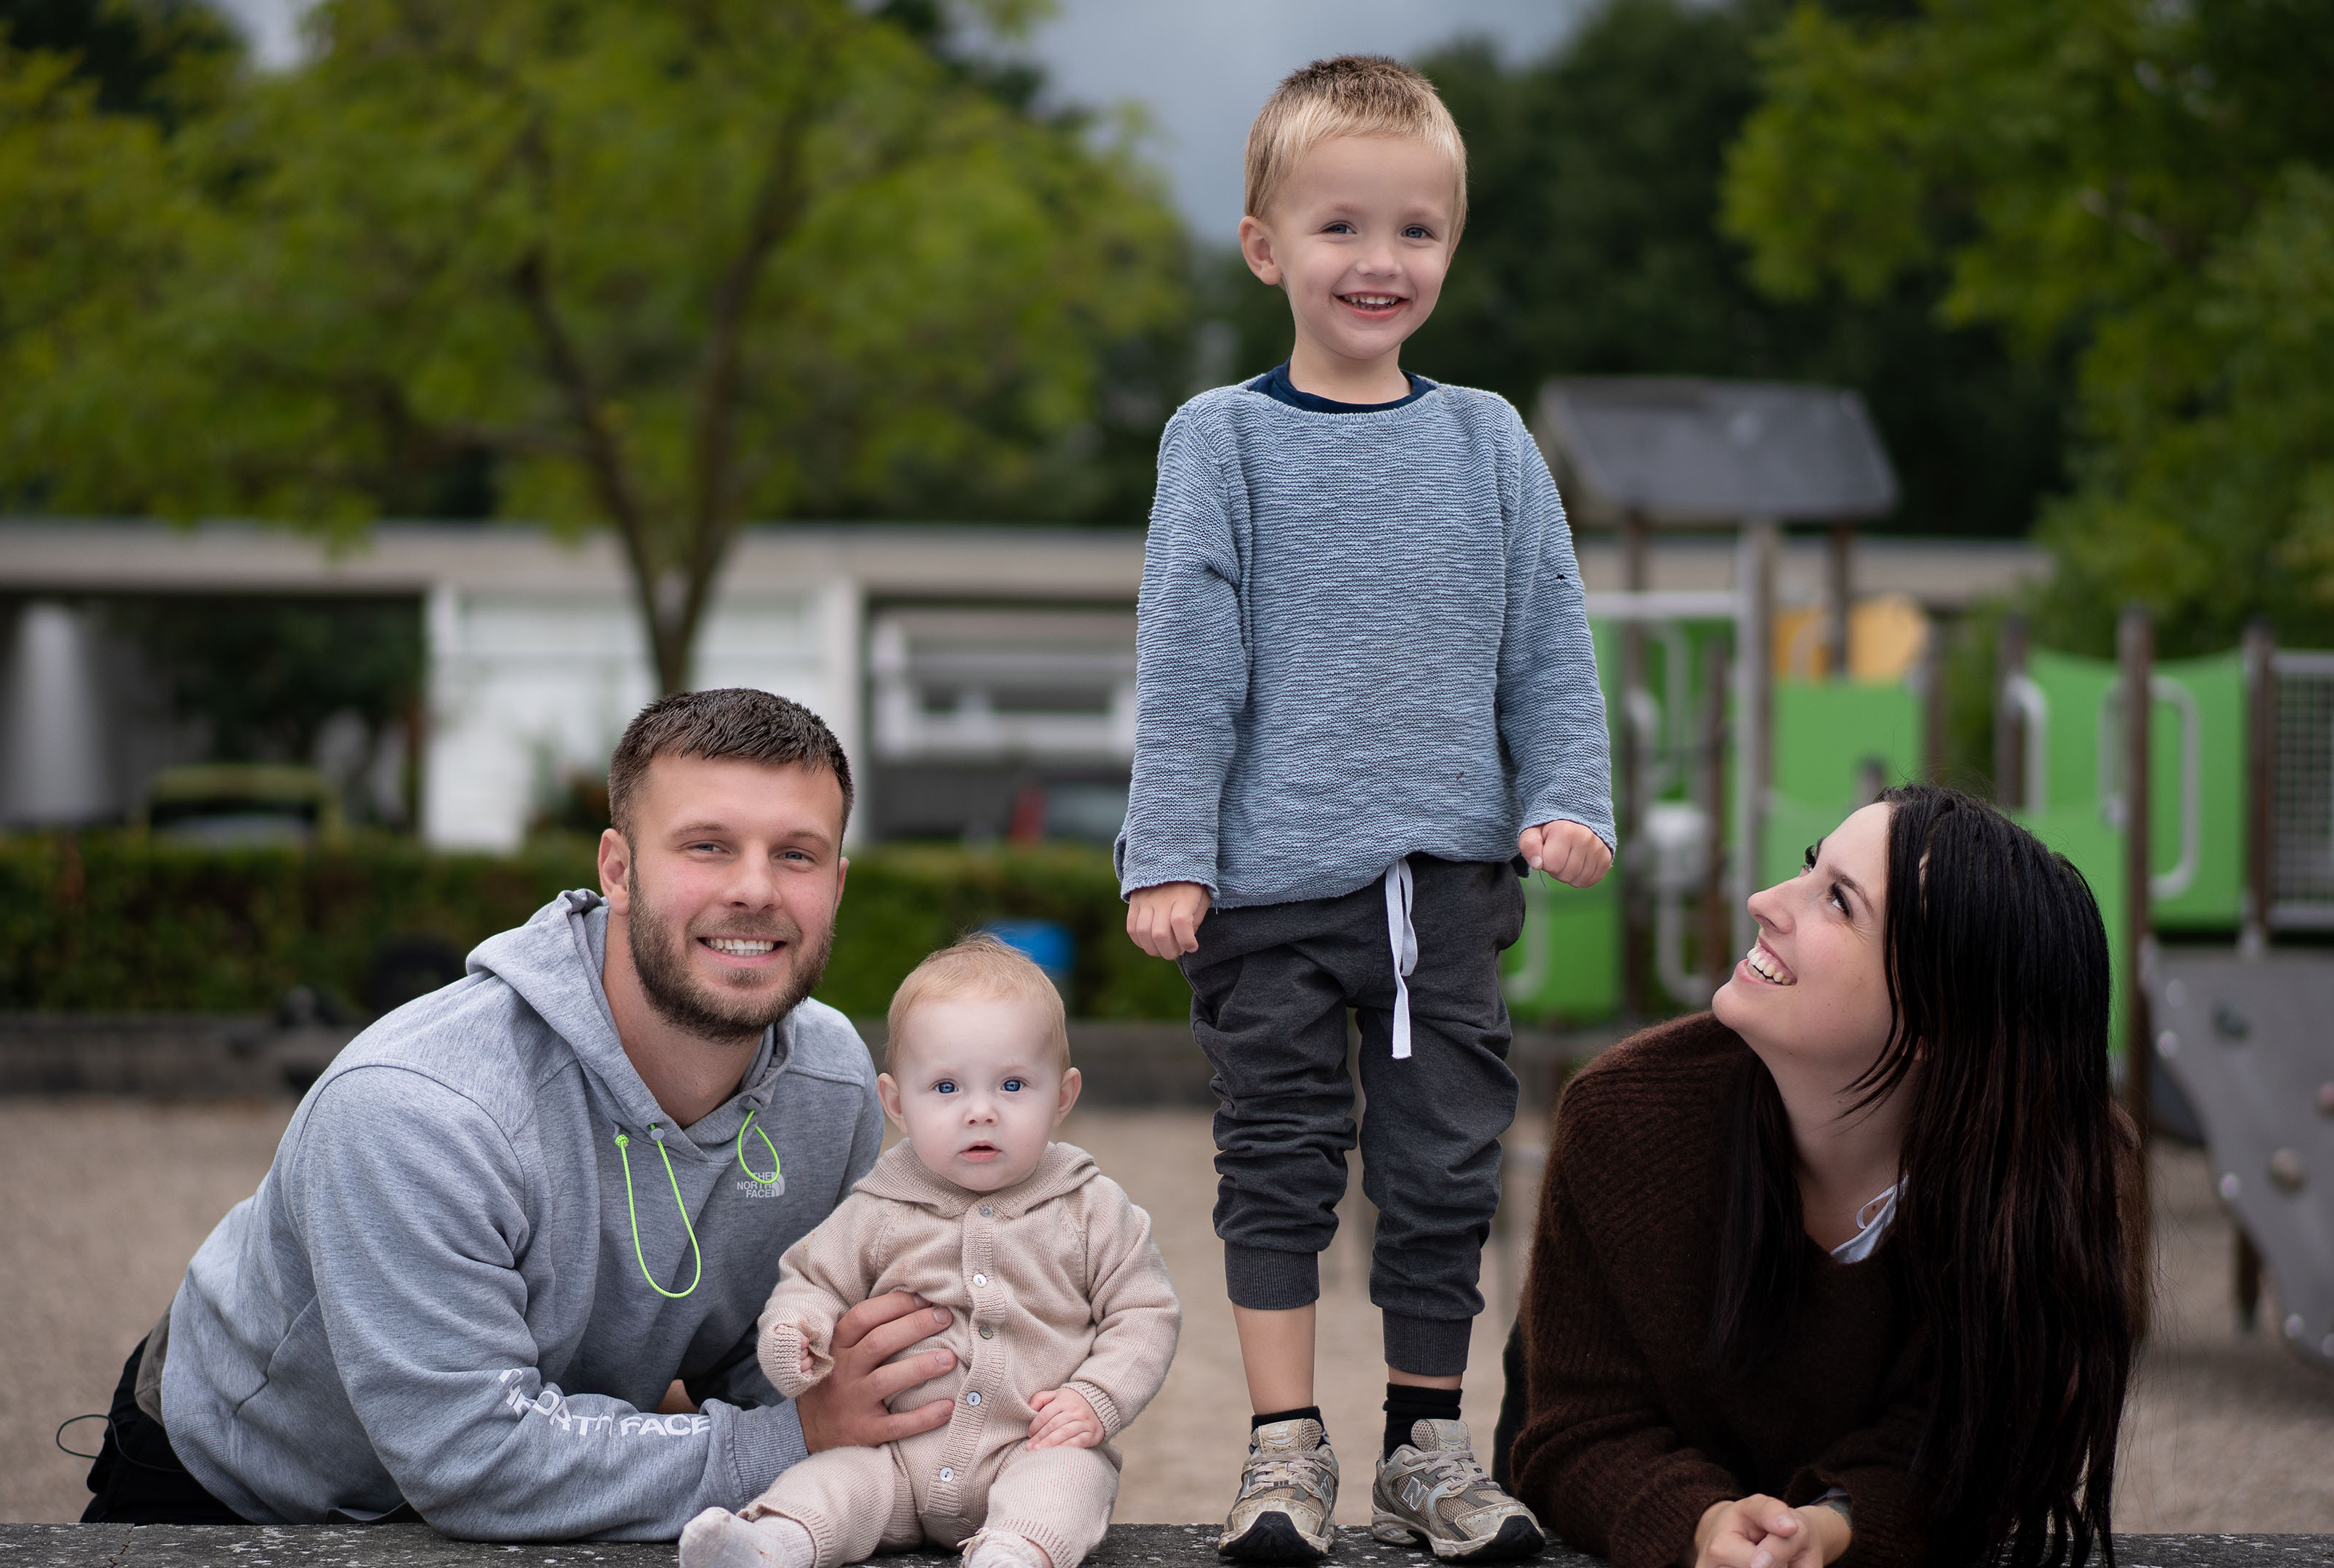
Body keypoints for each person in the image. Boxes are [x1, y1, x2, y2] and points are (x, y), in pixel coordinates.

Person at [1115, 53, 1616, 1567]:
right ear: (1265, 246)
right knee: (1277, 1159)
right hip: (1265, 891)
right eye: (1339, 226)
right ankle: (1284, 1447)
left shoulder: (1489, 441)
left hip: (1443, 887)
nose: (1377, 260)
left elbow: (1548, 642)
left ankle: (1424, 1446)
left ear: (1451, 246)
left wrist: (1568, 794)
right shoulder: (1221, 439)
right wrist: (1170, 853)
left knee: (1445, 1166)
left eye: (1415, 229)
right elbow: (1186, 663)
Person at [81, 689, 969, 1539]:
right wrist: (792, 1439)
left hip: (546, 1473)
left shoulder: (833, 1085)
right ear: (618, 871)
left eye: (797, 855)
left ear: (837, 886)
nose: (756, 890)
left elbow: (778, 1364)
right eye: (707, 846)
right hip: (244, 1489)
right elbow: (475, 1460)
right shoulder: (422, 1108)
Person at [1503, 785, 2138, 1568]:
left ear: (1941, 1016)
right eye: (1811, 866)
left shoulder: (2048, 1177)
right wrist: (1701, 1524)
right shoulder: (1621, 1117)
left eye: (1838, 900)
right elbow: (1578, 1429)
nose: (1764, 901)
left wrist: (1837, 1525)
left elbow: (1978, 1442)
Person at [680, 934, 1180, 1568]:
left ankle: (1013, 1554)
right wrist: (796, 1332)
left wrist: (1096, 1397)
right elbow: (812, 1280)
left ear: (1062, 1096)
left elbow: (1145, 1311)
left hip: (1030, 1443)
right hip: (896, 1457)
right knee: (832, 1481)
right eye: (946, 1088)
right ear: (897, 1104)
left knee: (1069, 1481)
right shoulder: (879, 1208)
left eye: (1013, 1084)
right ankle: (773, 1544)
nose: (980, 1112)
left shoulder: (1090, 1207)